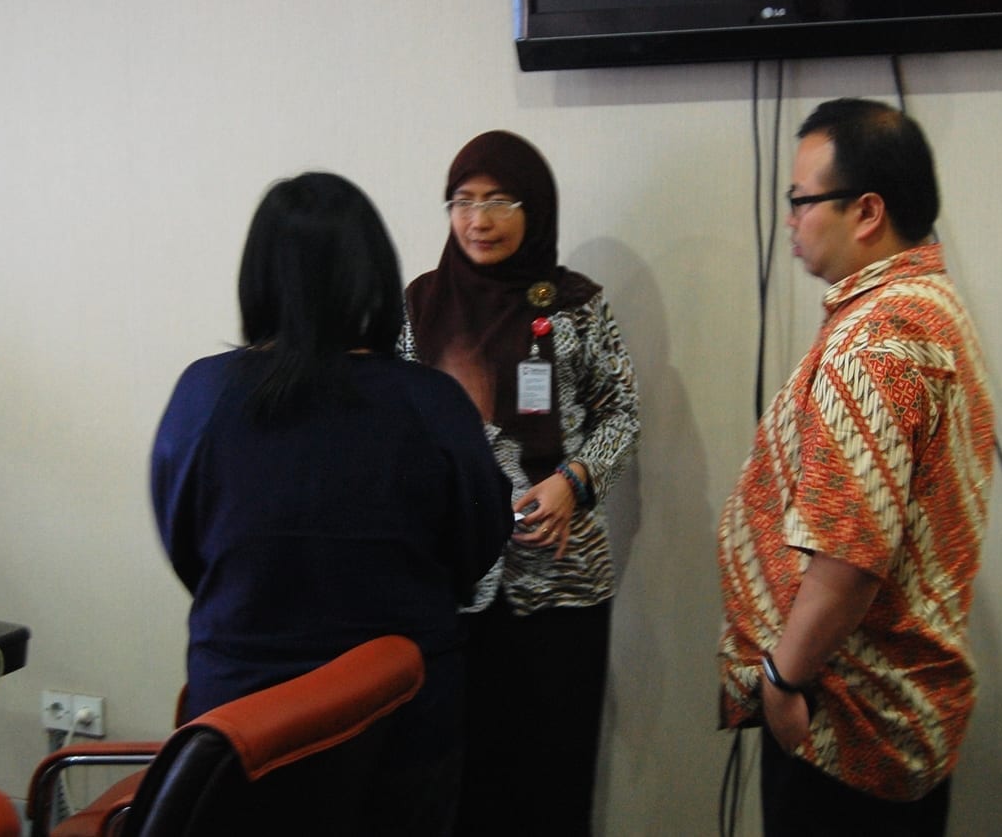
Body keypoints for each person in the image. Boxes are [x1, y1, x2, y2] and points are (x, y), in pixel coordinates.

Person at [150, 171, 512, 834]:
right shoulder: (431, 401)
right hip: (401, 728)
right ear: (373, 275)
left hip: (241, 730)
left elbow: (188, 549)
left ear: (258, 278)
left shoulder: (203, 394)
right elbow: (479, 546)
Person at [716, 99, 996, 836]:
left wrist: (783, 678)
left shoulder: (877, 336)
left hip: (848, 717)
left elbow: (848, 552)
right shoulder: (930, 303)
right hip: (894, 709)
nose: (790, 220)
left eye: (801, 200)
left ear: (867, 211)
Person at [401, 130, 640, 837]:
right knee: (459, 784)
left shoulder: (576, 305)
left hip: (561, 585)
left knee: (550, 781)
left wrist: (575, 479)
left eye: (500, 200)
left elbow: (621, 411)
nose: (479, 220)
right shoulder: (419, 307)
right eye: (463, 201)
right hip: (452, 588)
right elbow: (396, 428)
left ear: (533, 208)